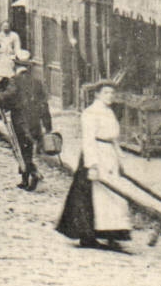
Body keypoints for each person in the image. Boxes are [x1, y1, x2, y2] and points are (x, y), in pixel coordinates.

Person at [56, 81, 132, 251]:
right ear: (97, 94)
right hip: (96, 154)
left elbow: (113, 137)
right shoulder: (90, 113)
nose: (110, 96)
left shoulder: (109, 112)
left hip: (109, 155)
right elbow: (88, 140)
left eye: (112, 93)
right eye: (106, 93)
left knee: (113, 195)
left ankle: (112, 234)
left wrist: (119, 157)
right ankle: (88, 235)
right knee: (94, 196)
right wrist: (92, 165)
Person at [0, 59, 53, 190]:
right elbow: (44, 104)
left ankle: (34, 173)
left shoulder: (14, 81)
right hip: (34, 122)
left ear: (16, 67)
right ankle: (25, 179)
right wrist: (47, 125)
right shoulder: (37, 82)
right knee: (28, 149)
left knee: (21, 149)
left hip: (20, 121)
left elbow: (7, 97)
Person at [0, 20, 24, 86]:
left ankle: (8, 84)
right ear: (1, 27)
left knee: (9, 70)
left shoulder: (14, 35)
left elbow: (17, 47)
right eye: (4, 26)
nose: (5, 28)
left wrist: (16, 56)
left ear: (10, 27)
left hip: (10, 56)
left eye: (7, 26)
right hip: (1, 56)